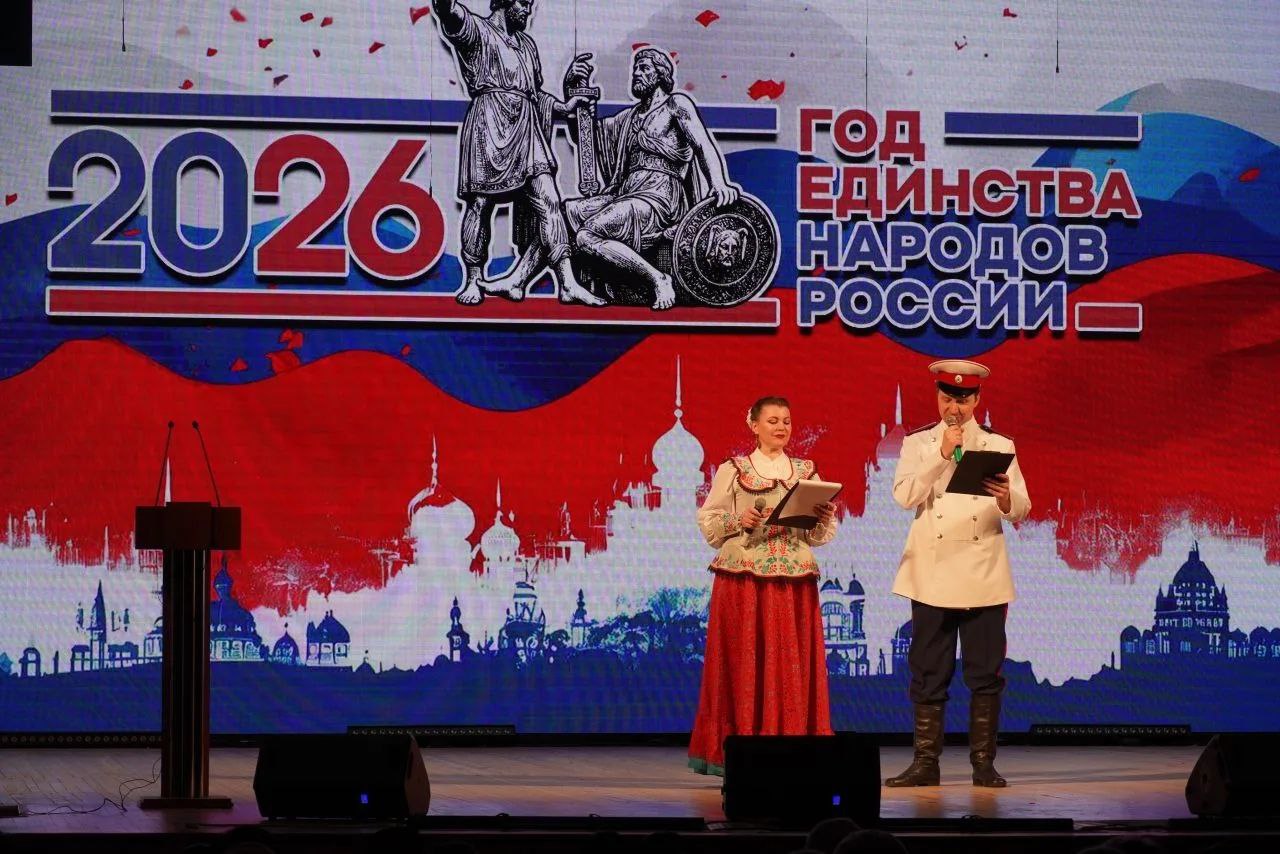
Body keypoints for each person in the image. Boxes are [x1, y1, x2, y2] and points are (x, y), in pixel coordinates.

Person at [489, 47, 741, 309]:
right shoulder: (628, 118)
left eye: (644, 68)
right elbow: (586, 138)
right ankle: (517, 281)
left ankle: (658, 279)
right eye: (635, 69)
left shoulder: (675, 104)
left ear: (661, 74)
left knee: (586, 237)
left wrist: (719, 183)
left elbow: (702, 144)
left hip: (659, 198)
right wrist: (573, 90)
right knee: (561, 214)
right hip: (626, 193)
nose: (636, 73)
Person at [884, 360, 1030, 788]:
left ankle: (984, 764)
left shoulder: (999, 444)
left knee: (985, 674)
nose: (955, 408)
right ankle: (925, 764)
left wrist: (1006, 498)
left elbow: (1023, 507)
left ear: (977, 400)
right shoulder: (917, 444)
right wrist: (942, 454)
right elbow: (904, 496)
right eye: (948, 398)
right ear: (938, 398)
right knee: (929, 672)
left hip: (983, 572)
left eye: (963, 400)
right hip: (931, 573)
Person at [688, 396, 839, 775]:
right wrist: (738, 520)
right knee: (744, 662)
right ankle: (740, 754)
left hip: (793, 582)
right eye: (772, 420)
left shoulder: (806, 471)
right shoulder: (734, 469)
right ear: (753, 425)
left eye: (786, 420)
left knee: (790, 665)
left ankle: (792, 752)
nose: (781, 427)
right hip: (744, 580)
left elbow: (817, 536)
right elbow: (709, 522)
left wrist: (822, 516)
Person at [431, 0, 604, 306]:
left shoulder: (527, 45)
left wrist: (565, 106)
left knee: (550, 200)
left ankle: (567, 283)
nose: (528, 10)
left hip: (527, 127)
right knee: (480, 204)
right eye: (524, 3)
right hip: (490, 122)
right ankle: (473, 279)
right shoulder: (477, 31)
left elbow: (536, 97)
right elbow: (448, 11)